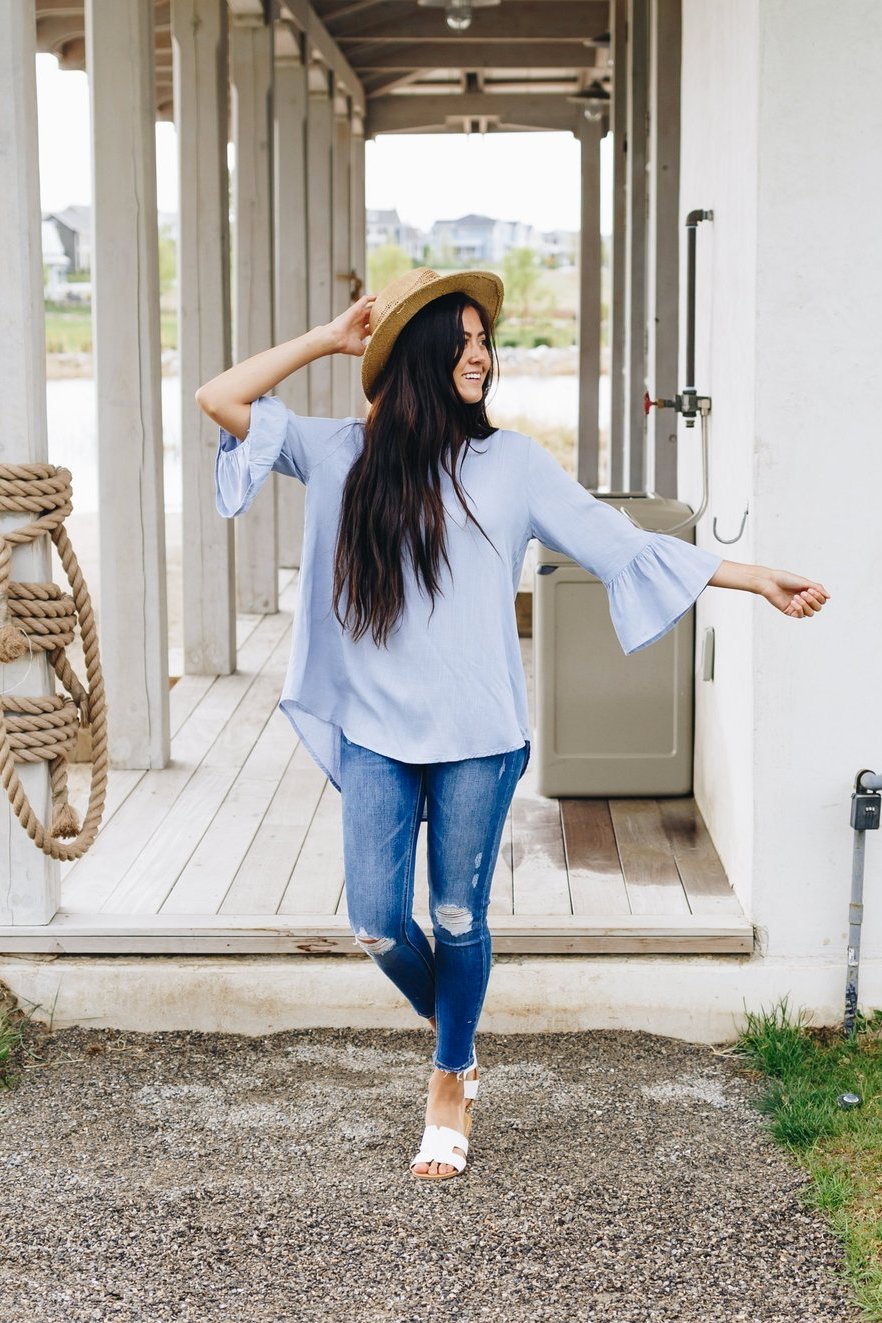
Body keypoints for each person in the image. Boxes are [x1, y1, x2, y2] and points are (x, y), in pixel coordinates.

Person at [195, 267, 830, 1181]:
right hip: (376, 729)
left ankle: (450, 1076)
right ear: (421, 357)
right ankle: (456, 1022)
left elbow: (626, 543)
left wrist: (755, 575)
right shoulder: (342, 452)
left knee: (458, 914)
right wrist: (333, 341)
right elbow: (221, 397)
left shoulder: (514, 465)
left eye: (486, 340)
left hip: (481, 735)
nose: (482, 356)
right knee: (377, 921)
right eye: (463, 340)